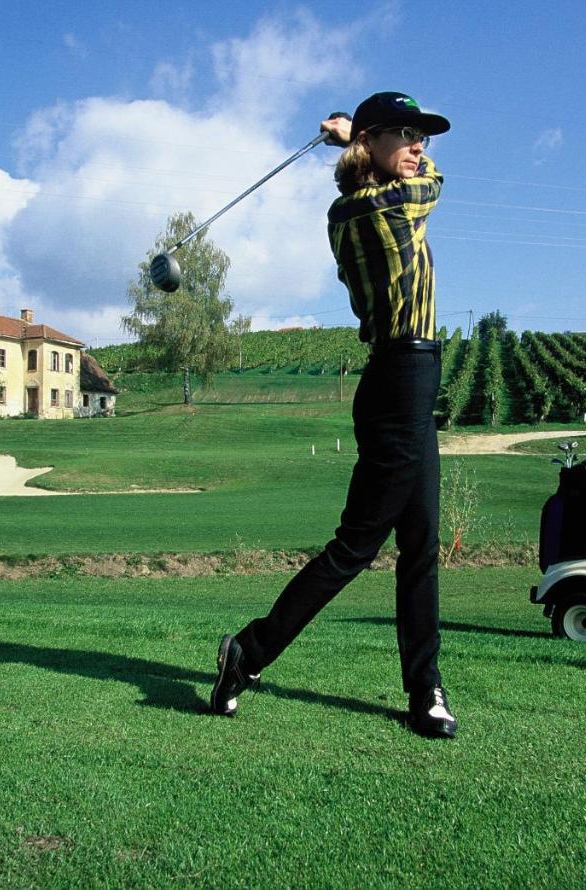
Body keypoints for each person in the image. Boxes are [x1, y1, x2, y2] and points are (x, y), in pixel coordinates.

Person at [211, 92, 457, 738]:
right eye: (405, 134)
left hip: (407, 380)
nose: (420, 148)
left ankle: (425, 687)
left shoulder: (349, 206)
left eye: (423, 136)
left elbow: (411, 167)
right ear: (372, 143)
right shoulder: (382, 207)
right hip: (400, 380)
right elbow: (437, 183)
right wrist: (356, 137)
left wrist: (361, 137)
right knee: (357, 546)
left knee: (422, 541)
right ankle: (249, 650)